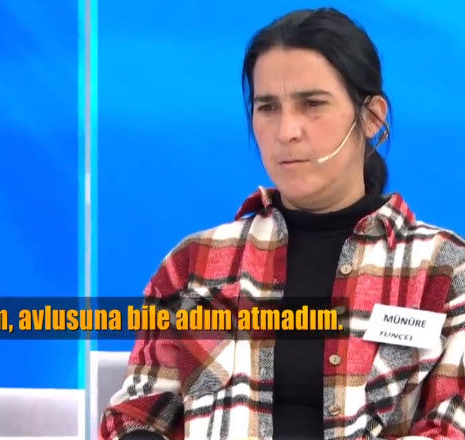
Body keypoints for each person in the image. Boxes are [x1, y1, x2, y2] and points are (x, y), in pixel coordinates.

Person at [100, 8, 465, 440]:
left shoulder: (444, 270)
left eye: (312, 104)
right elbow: (133, 417)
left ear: (371, 117)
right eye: (268, 107)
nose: (287, 130)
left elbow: (453, 427)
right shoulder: (193, 266)